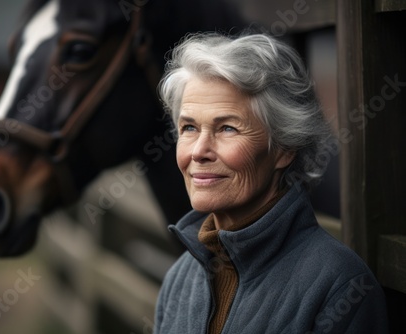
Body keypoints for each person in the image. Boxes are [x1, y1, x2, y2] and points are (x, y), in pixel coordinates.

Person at [154, 32, 388, 334]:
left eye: (227, 128)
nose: (199, 151)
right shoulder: (179, 279)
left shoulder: (340, 288)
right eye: (189, 127)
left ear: (284, 148)